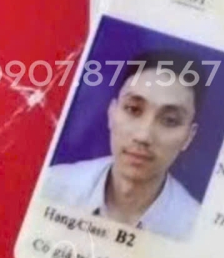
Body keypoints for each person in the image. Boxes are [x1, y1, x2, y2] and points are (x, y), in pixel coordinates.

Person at [41, 49, 204, 239]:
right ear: (111, 113)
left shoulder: (197, 230)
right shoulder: (51, 186)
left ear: (188, 137)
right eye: (133, 109)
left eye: (170, 120)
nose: (143, 136)